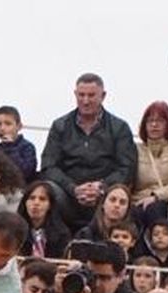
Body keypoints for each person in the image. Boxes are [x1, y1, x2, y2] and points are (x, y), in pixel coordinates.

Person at [37, 73, 138, 226]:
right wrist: (73, 188)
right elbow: (48, 166)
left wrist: (102, 187)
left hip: (105, 196)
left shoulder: (120, 128)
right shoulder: (60, 126)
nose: (85, 101)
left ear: (103, 96)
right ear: (75, 95)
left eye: (91, 95)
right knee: (46, 189)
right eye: (81, 95)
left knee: (118, 197)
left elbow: (127, 168)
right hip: (67, 194)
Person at [0, 106, 38, 184]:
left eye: (8, 124)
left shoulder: (27, 147)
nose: (2, 128)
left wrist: (11, 148)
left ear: (19, 126)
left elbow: (26, 173)